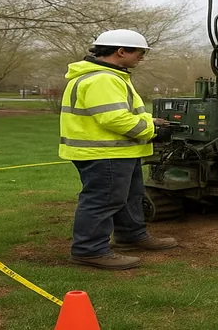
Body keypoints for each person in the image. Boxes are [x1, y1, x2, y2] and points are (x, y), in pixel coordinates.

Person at [59, 29, 177, 270]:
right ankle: (89, 250)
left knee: (129, 197)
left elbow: (120, 112)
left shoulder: (111, 75)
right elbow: (114, 119)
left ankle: (131, 235)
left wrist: (150, 121)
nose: (141, 58)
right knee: (103, 200)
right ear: (121, 51)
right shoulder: (103, 78)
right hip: (105, 153)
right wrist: (151, 131)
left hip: (120, 152)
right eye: (139, 53)